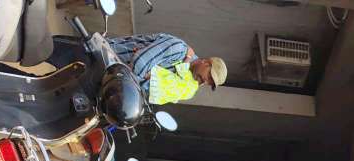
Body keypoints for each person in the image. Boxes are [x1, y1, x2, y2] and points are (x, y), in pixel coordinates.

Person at [44, 32, 226, 105]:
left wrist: (146, 80)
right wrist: (143, 79)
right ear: (206, 62)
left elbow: (149, 93)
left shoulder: (185, 79)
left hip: (105, 79)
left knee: (48, 90)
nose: (205, 82)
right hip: (98, 57)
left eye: (210, 84)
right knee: (41, 51)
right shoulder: (178, 50)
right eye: (209, 76)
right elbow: (140, 61)